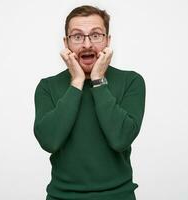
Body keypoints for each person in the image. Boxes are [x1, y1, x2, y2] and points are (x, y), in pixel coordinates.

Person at [33, 5, 146, 200]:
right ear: (66, 43)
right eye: (77, 36)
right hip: (62, 197)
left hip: (118, 196)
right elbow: (49, 141)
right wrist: (76, 82)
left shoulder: (132, 82)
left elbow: (120, 139)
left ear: (108, 40)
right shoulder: (47, 87)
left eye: (96, 35)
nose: (87, 45)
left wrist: (98, 81)